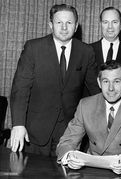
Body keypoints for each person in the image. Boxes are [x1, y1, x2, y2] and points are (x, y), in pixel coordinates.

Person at [10, 4, 100, 156]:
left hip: (69, 133)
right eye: (59, 22)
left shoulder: (86, 51)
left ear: (76, 26)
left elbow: (95, 90)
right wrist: (18, 124)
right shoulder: (33, 48)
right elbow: (20, 89)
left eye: (69, 23)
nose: (64, 27)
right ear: (51, 25)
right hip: (34, 132)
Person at [56, 61, 121, 174]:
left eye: (117, 81)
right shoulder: (85, 105)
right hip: (90, 171)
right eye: (105, 81)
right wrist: (69, 156)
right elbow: (67, 141)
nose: (110, 88)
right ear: (99, 83)